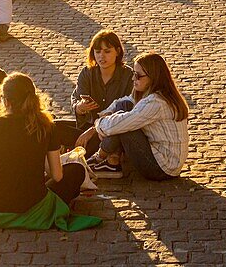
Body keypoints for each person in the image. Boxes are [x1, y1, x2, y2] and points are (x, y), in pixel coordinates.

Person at [0, 73, 101, 231]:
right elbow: (56, 175)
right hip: (33, 208)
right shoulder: (44, 125)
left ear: (5, 100)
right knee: (76, 170)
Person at [77, 53, 189, 181]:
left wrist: (97, 124)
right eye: (133, 74)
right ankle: (111, 163)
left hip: (162, 168)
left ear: (153, 77)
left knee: (123, 125)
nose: (133, 79)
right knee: (123, 107)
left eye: (138, 75)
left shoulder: (155, 103)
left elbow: (120, 123)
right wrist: (105, 115)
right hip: (165, 159)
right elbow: (122, 102)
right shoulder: (154, 93)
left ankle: (99, 158)